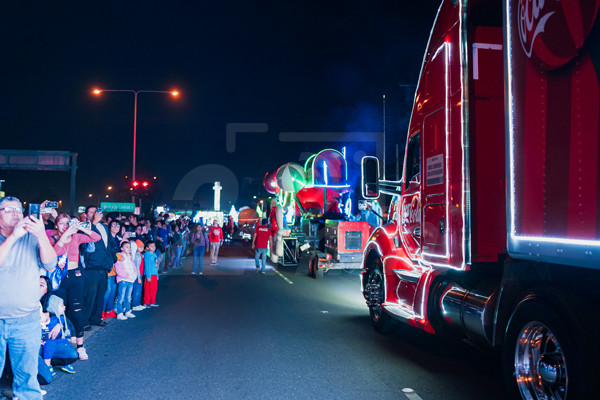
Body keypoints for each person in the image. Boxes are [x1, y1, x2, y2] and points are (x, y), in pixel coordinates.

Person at [0, 196, 57, 399]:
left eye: (18, 209)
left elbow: (51, 264)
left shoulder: (32, 237)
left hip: (26, 320)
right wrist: (14, 236)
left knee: (27, 381)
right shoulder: (15, 236)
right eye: (9, 210)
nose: (16, 213)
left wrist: (41, 235)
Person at [52, 212, 101, 361]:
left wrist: (80, 227)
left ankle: (80, 346)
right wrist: (63, 236)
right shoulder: (52, 238)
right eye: (61, 223)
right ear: (56, 225)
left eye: (67, 223)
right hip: (58, 277)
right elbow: (53, 254)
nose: (65, 226)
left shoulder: (76, 237)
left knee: (77, 311)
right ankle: (60, 344)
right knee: (58, 310)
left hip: (76, 276)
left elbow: (96, 238)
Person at [81, 206, 114, 329]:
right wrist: (93, 223)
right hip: (91, 267)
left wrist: (111, 260)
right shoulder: (84, 226)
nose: (94, 213)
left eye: (96, 211)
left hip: (104, 266)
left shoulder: (105, 227)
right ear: (86, 215)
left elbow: (110, 245)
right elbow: (84, 243)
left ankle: (96, 318)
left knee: (101, 294)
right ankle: (84, 320)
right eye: (91, 212)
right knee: (89, 295)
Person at [39, 277, 77, 375]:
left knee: (71, 352)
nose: (37, 287)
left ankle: (59, 362)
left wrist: (60, 324)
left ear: (47, 288)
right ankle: (46, 365)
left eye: (41, 285)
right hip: (37, 341)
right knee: (49, 345)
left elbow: (65, 320)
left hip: (51, 339)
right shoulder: (27, 301)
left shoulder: (51, 300)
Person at [114, 241, 137, 320]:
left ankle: (128, 311)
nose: (129, 248)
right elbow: (118, 268)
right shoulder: (119, 256)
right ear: (121, 248)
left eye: (129, 247)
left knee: (128, 297)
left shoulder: (129, 257)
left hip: (131, 279)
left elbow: (132, 266)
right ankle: (119, 313)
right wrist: (125, 275)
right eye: (127, 247)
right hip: (123, 279)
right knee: (121, 297)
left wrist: (135, 274)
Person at [143, 240, 159, 307]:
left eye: (154, 246)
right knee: (148, 289)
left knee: (154, 289)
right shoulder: (147, 254)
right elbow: (147, 266)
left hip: (154, 274)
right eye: (151, 246)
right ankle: (146, 302)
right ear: (147, 247)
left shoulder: (154, 254)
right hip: (149, 274)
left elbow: (156, 264)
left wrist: (157, 274)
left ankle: (152, 301)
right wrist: (148, 276)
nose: (153, 247)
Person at [131, 239, 146, 311]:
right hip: (137, 276)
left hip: (141, 275)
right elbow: (136, 266)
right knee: (136, 290)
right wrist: (138, 277)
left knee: (139, 290)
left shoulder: (141, 255)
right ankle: (135, 305)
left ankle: (138, 304)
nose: (142, 248)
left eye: (142, 247)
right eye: (140, 247)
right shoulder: (136, 255)